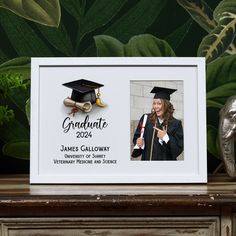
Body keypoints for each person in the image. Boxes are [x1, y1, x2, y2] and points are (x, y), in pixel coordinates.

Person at [132, 86, 183, 161]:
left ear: (166, 105)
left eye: (159, 104)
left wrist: (166, 138)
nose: (156, 107)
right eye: (154, 103)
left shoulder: (176, 124)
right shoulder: (146, 119)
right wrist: (139, 143)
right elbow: (137, 136)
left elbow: (179, 148)